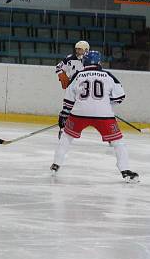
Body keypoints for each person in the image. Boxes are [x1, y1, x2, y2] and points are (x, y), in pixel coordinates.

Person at [52, 51, 139, 182]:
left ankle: (56, 165)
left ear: (85, 62)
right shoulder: (108, 75)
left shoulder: (78, 75)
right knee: (118, 143)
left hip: (79, 114)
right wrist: (105, 104)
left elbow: (69, 98)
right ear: (99, 62)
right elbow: (120, 96)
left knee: (66, 137)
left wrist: (64, 114)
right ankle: (125, 171)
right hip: (104, 115)